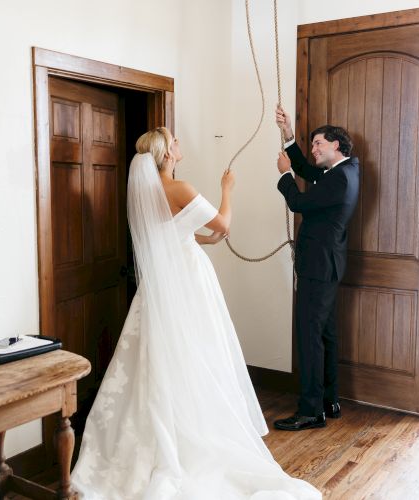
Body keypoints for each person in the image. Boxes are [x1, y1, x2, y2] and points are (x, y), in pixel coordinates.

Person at [71, 127, 321, 499]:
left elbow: (173, 234)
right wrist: (228, 189)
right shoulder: (179, 187)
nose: (178, 144)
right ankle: (194, 430)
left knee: (153, 359)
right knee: (198, 350)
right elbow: (223, 225)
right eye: (174, 141)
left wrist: (201, 236)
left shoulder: (143, 190)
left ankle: (141, 443)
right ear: (167, 154)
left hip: (159, 287)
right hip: (188, 282)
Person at [273, 107, 359, 432]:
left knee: (310, 338)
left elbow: (300, 202)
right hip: (327, 267)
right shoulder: (342, 171)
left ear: (336, 145)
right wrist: (288, 134)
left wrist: (284, 175)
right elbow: (310, 172)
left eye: (318, 143)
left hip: (318, 268)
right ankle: (328, 401)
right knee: (325, 335)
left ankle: (310, 411)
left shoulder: (340, 178)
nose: (314, 150)